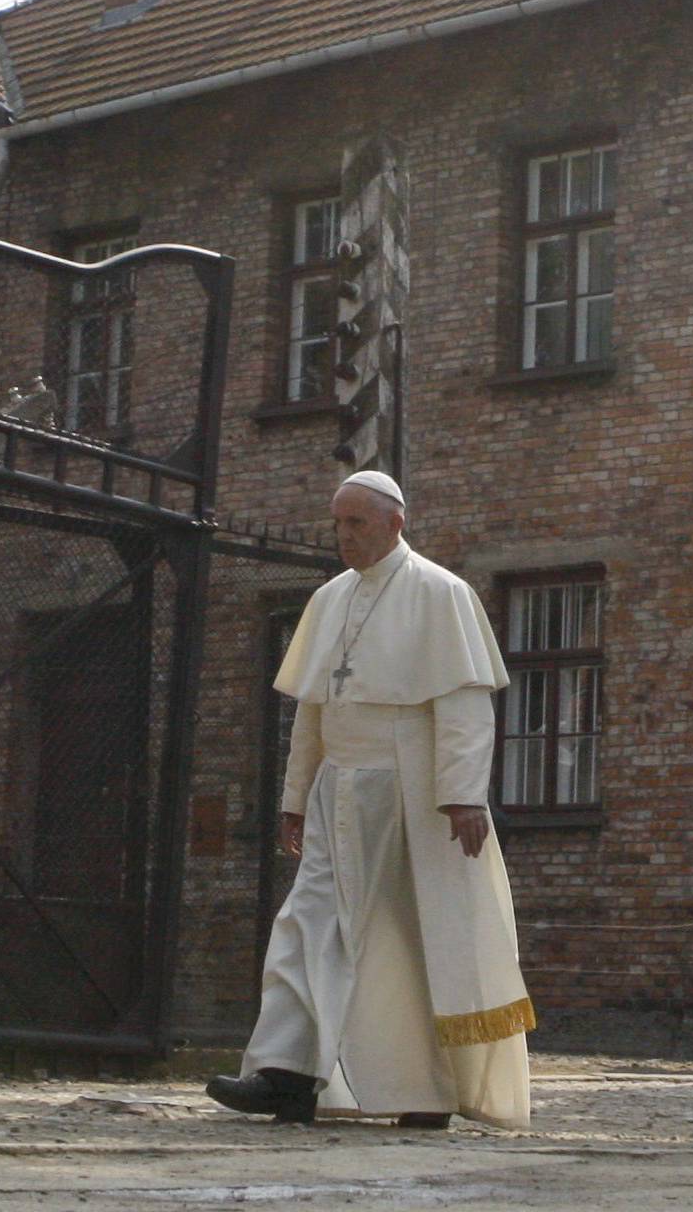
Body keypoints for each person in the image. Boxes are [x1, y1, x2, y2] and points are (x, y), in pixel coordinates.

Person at [204, 472, 532, 1130]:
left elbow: (464, 706)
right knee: (308, 921)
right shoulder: (329, 599)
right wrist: (296, 796)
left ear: (394, 523)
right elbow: (313, 709)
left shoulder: (442, 593)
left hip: (409, 787)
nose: (344, 536)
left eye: (356, 523)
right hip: (338, 790)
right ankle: (286, 1074)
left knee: (402, 938)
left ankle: (424, 1091)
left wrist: (463, 795)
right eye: (337, 524)